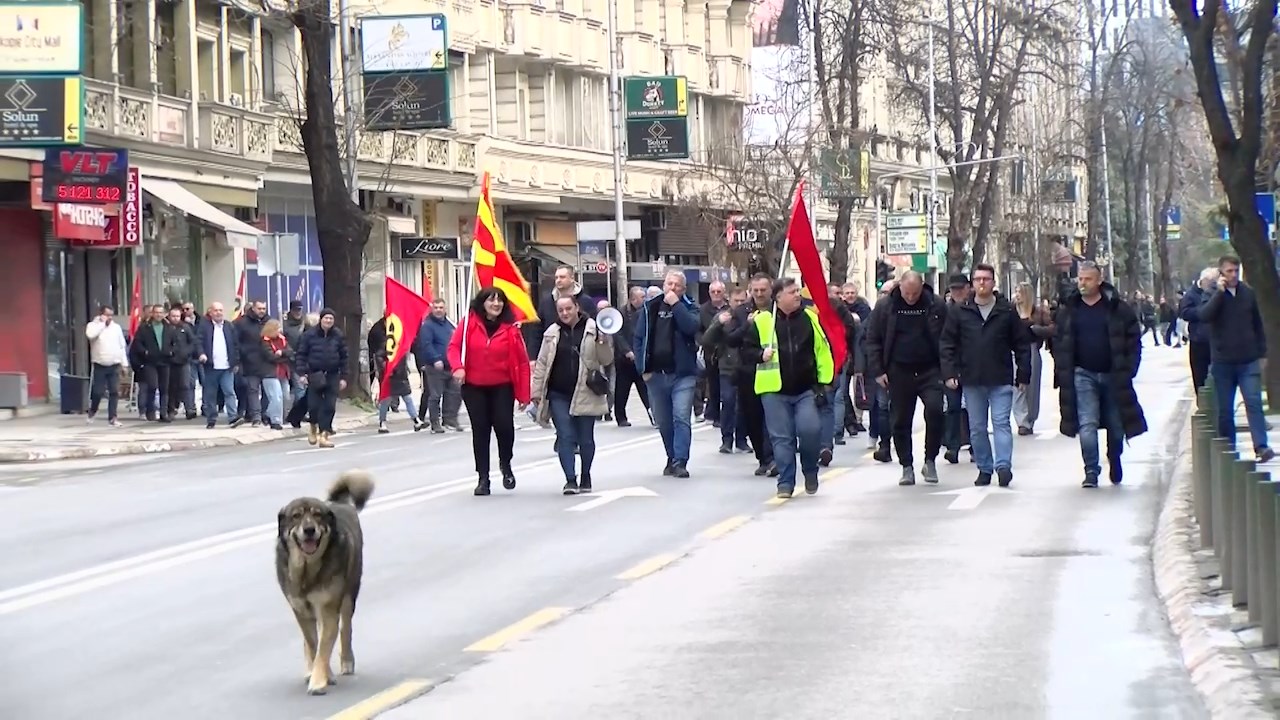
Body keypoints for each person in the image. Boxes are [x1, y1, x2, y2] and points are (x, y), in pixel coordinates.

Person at [1035, 262, 1148, 488]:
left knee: (1116, 425)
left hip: (1113, 375)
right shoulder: (1070, 309)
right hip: (1082, 374)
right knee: (1087, 423)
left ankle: (1114, 457)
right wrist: (1064, 366)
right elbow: (1060, 339)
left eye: (1087, 279)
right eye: (1080, 279)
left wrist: (1128, 368)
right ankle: (1091, 470)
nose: (1082, 283)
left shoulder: (1117, 308)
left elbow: (1133, 339)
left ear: (1099, 280)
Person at [741, 278, 835, 498]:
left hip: (805, 390)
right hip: (774, 390)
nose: (797, 295)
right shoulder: (763, 321)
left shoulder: (810, 318)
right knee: (781, 439)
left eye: (796, 291)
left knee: (810, 431)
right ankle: (785, 483)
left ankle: (810, 471)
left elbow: (821, 350)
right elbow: (745, 351)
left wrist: (825, 381)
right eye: (792, 292)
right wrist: (759, 355)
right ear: (778, 297)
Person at [940, 263, 1032, 488]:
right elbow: (947, 344)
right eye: (978, 279)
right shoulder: (961, 311)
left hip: (1000, 377)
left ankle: (1003, 467)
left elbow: (1021, 344)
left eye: (986, 279)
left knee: (1001, 423)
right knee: (977, 428)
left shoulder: (1005, 311)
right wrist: (950, 372)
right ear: (972, 283)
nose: (982, 283)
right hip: (972, 379)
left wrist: (1023, 373)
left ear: (993, 283)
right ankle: (984, 467)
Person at [863, 271, 948, 486]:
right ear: (900, 287)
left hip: (930, 369)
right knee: (900, 420)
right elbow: (872, 340)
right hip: (898, 370)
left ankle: (930, 459)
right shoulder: (885, 307)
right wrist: (878, 370)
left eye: (915, 293)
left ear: (922, 288)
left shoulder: (935, 305)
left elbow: (947, 339)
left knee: (936, 411)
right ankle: (906, 465)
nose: (911, 297)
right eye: (907, 293)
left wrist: (948, 370)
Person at [448, 287, 532, 496]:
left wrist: (524, 394)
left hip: (502, 385)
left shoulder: (511, 329)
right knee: (481, 430)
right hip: (474, 386)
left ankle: (506, 463)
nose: (496, 304)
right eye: (491, 300)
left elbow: (522, 363)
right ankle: (483, 478)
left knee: (504, 427)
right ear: (482, 302)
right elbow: (453, 348)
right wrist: (457, 367)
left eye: (500, 301)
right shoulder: (468, 323)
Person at [532, 296, 614, 494]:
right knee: (565, 436)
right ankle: (570, 479)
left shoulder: (594, 329)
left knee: (586, 439)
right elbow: (543, 362)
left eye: (569, 308)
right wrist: (535, 390)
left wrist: (602, 341)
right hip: (558, 392)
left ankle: (585, 475)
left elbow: (606, 359)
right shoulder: (552, 332)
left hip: (586, 391)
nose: (565, 313)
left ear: (577, 307)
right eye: (561, 310)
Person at [1198, 255, 1274, 462]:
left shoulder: (1248, 294)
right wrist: (1219, 294)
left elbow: (1258, 325)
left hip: (1248, 359)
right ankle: (1228, 449)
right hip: (1223, 361)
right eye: (1228, 271)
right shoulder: (1212, 293)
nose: (1233, 275)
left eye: (1235, 271)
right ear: (1221, 273)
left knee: (1253, 402)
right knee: (1225, 409)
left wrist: (1263, 353)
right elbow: (1204, 315)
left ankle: (1261, 446)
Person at [633, 270, 701, 478]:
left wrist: (676, 305)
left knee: (681, 417)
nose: (672, 288)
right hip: (656, 375)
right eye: (669, 284)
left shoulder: (689, 307)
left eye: (676, 285)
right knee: (664, 421)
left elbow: (692, 328)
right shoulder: (650, 308)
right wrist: (642, 369)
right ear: (663, 285)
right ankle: (671, 457)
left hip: (683, 374)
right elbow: (638, 338)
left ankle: (681, 461)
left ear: (683, 289)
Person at [726, 273, 779, 476]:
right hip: (750, 372)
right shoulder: (741, 312)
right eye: (755, 290)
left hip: (776, 373)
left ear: (771, 289)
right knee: (753, 418)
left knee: (773, 418)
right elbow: (730, 340)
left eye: (763, 290)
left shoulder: (778, 308)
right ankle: (763, 458)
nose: (759, 294)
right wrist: (746, 325)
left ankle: (774, 457)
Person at [701, 287, 751, 454]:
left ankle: (742, 440)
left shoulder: (750, 316)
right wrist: (718, 323)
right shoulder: (723, 317)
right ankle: (727, 440)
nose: (738, 304)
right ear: (729, 300)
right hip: (727, 367)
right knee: (728, 403)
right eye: (735, 301)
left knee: (744, 405)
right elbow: (706, 340)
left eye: (741, 301)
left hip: (746, 366)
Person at [295, 308, 349, 448]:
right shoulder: (309, 335)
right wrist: (302, 374)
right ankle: (313, 426)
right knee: (314, 406)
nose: (328, 321)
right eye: (326, 318)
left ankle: (324, 434)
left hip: (332, 374)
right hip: (315, 374)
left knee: (330, 406)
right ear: (321, 319)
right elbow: (301, 354)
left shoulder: (338, 335)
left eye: (331, 319)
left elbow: (344, 357)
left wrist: (343, 376)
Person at [414, 299, 463, 433]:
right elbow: (426, 345)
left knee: (454, 393)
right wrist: (435, 359)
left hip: (451, 366)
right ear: (432, 309)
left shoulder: (450, 325)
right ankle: (435, 423)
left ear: (445, 308)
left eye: (441, 307)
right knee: (435, 395)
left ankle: (449, 419)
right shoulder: (427, 326)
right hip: (435, 367)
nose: (439, 310)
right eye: (436, 307)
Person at [1012, 281, 1051, 436]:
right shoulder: (1011, 311)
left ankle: (1031, 417)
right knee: (1017, 388)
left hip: (1032, 349)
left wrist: (1036, 329)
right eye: (1016, 291)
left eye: (1019, 291)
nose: (1017, 295)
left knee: (1031, 388)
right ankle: (1022, 421)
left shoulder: (1038, 312)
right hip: (1014, 351)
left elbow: (1052, 328)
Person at [941, 275, 972, 463]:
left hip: (973, 367)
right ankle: (952, 446)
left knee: (973, 410)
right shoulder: (945, 311)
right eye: (953, 289)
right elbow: (943, 344)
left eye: (960, 289)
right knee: (952, 408)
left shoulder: (975, 308)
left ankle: (975, 446)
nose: (957, 293)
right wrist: (947, 372)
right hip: (952, 366)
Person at [612, 286, 653, 427]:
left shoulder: (646, 311)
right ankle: (620, 417)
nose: (644, 300)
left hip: (640, 358)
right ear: (632, 299)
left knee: (645, 389)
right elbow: (618, 334)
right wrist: (626, 351)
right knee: (622, 390)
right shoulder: (622, 313)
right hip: (624, 360)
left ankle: (652, 413)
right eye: (642, 297)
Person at [197, 302, 240, 428]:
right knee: (211, 393)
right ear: (210, 312)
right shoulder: (205, 326)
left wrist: (236, 361)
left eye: (220, 310)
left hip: (227, 366)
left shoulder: (229, 326)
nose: (218, 313)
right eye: (216, 310)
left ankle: (233, 417)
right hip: (211, 366)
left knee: (229, 392)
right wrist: (201, 354)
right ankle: (211, 418)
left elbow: (235, 345)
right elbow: (198, 342)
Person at [372, 331, 424, 434]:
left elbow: (402, 360)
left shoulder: (402, 345)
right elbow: (379, 356)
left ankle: (416, 420)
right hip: (390, 376)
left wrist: (405, 370)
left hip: (400, 376)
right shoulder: (388, 343)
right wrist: (386, 368)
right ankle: (382, 422)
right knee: (385, 401)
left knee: (407, 398)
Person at [85, 305, 128, 426]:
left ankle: (112, 417)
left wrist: (124, 364)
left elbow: (121, 346)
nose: (109, 317)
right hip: (100, 364)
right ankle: (93, 410)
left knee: (114, 391)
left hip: (114, 363)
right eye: (106, 315)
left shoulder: (116, 328)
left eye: (111, 315)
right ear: (101, 314)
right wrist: (102, 324)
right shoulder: (93, 325)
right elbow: (90, 335)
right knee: (98, 391)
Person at [129, 304, 172, 422]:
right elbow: (137, 343)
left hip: (164, 361)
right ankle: (150, 411)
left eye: (160, 312)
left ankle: (164, 413)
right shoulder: (144, 327)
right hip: (150, 362)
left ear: (164, 314)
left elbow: (175, 342)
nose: (158, 315)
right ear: (152, 314)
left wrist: (171, 352)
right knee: (152, 386)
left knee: (164, 389)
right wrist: (145, 352)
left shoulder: (168, 327)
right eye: (156, 312)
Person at [1179, 267, 1218, 392]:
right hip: (1199, 340)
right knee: (1200, 375)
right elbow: (1184, 313)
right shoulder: (1191, 295)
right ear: (1204, 280)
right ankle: (1202, 403)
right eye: (1212, 281)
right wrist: (1203, 312)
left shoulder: (1217, 292)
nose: (1214, 284)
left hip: (1216, 340)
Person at [164, 306, 198, 420]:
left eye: (177, 316)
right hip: (169, 361)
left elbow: (193, 342)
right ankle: (171, 409)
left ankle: (189, 409)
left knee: (185, 385)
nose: (175, 318)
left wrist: (187, 352)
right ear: (169, 316)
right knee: (171, 387)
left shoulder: (185, 327)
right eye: (173, 316)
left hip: (184, 361)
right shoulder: (165, 328)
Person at [260, 318, 292, 430]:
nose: (280, 330)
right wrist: (283, 357)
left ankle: (268, 414)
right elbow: (271, 357)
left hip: (283, 372)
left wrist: (281, 353)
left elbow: (290, 352)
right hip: (270, 373)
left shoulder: (282, 339)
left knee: (285, 396)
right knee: (276, 397)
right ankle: (275, 420)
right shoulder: (264, 341)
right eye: (278, 328)